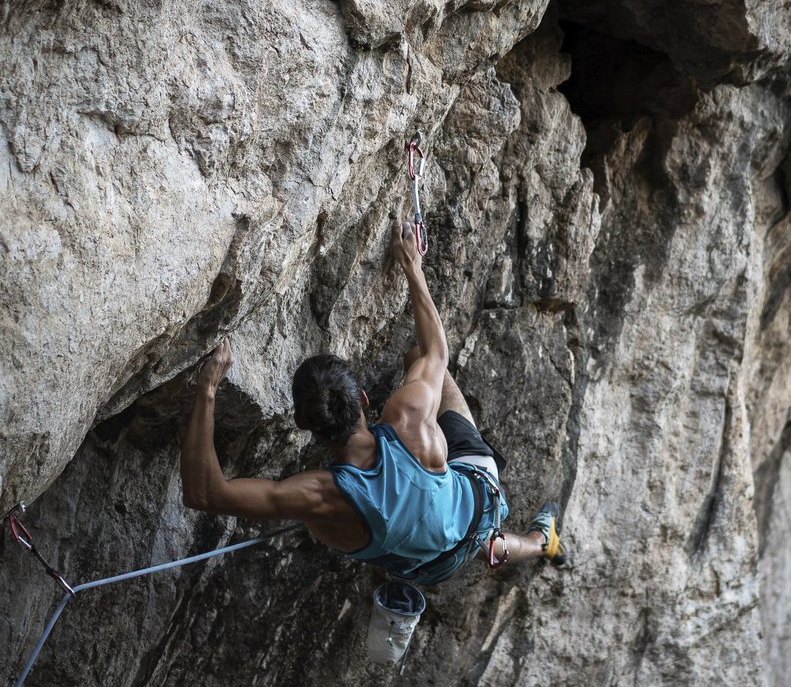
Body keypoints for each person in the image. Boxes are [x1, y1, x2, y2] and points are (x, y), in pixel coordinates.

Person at [179, 218, 565, 585]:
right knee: (417, 357)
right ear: (363, 399)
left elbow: (206, 494)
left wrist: (208, 389)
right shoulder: (410, 417)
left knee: (446, 535)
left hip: (430, 567)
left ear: (301, 423)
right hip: (477, 506)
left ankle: (521, 541)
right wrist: (412, 267)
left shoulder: (318, 495)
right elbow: (435, 353)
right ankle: (537, 542)